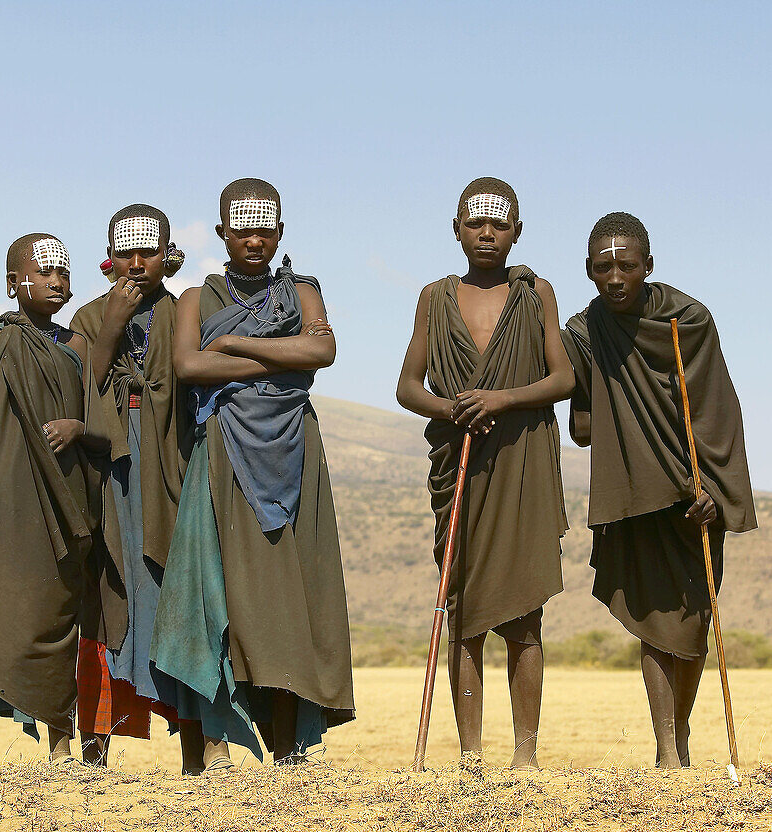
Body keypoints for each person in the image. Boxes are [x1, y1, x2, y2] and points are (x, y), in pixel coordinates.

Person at [154, 177, 355, 768]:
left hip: (293, 451)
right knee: (218, 590)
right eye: (242, 230)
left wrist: (237, 344)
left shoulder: (303, 291)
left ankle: (291, 746)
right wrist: (279, 349)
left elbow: (322, 352)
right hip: (222, 454)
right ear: (221, 233)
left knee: (293, 594)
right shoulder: (197, 296)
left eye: (265, 229)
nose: (254, 240)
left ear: (281, 232)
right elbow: (189, 364)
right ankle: (215, 745)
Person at [561, 211, 757, 768]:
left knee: (693, 623)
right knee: (654, 622)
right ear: (590, 272)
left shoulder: (689, 320)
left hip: (695, 492)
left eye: (627, 265)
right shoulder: (585, 330)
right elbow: (582, 424)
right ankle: (668, 751)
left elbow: (718, 409)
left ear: (649, 265)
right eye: (604, 268)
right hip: (633, 491)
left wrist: (717, 490)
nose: (616, 276)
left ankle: (682, 733)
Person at [396, 178, 573, 767]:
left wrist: (499, 400)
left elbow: (563, 379)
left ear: (517, 232)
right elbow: (406, 385)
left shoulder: (535, 293)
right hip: (461, 467)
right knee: (462, 608)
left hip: (521, 461)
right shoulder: (434, 297)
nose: (487, 234)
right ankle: (471, 752)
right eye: (476, 223)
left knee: (525, 611)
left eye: (499, 224)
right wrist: (452, 409)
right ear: (457, 229)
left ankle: (526, 755)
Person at [0, 233, 102, 767]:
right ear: (15, 283)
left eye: (64, 273)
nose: (57, 282)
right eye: (45, 273)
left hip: (63, 499)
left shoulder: (75, 346)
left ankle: (62, 744)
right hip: (2, 497)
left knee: (58, 614)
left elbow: (95, 417)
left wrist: (78, 424)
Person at [69, 205, 201, 769]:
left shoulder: (187, 310)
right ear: (108, 259)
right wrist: (115, 325)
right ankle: (95, 745)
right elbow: (77, 387)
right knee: (108, 590)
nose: (137, 263)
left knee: (177, 587)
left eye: (149, 252)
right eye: (126, 252)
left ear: (168, 255)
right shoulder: (89, 316)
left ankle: (197, 745)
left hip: (172, 462)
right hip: (110, 466)